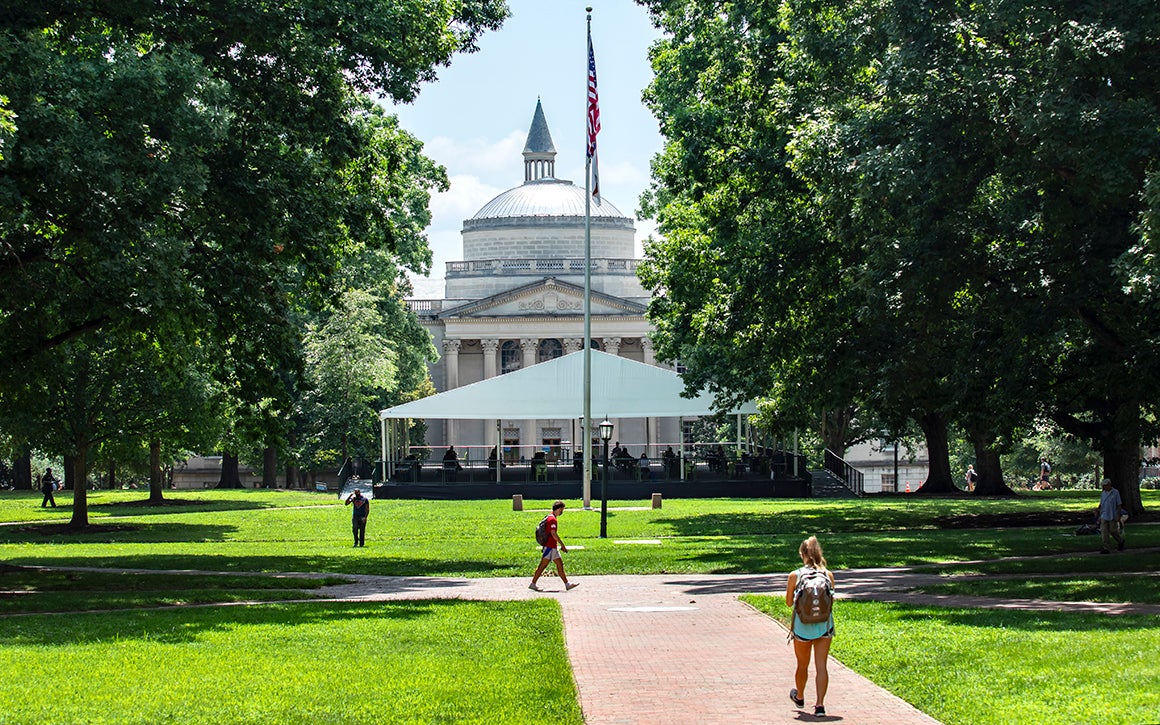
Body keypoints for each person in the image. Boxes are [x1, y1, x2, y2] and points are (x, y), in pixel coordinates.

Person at [785, 535, 835, 718]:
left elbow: (789, 603)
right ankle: (820, 705)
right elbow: (831, 601)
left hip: (802, 628)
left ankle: (799, 695)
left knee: (802, 665)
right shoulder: (828, 575)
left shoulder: (794, 575)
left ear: (802, 554)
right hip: (824, 627)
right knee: (822, 666)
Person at [529, 500, 578, 592]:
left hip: (552, 547)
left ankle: (567, 584)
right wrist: (562, 545)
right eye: (562, 510)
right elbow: (553, 534)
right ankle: (533, 583)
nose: (562, 512)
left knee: (559, 564)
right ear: (559, 509)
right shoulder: (552, 519)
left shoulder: (550, 517)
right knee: (542, 566)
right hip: (550, 547)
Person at [1096, 478, 1126, 554]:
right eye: (1104, 486)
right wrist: (1098, 511)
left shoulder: (1115, 492)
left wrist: (1118, 515)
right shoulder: (1103, 493)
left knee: (1113, 531)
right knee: (1104, 532)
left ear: (1110, 485)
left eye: (1106, 485)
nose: (1105, 487)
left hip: (1112, 514)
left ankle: (1120, 541)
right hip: (1104, 515)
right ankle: (1106, 548)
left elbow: (1119, 504)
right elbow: (1102, 504)